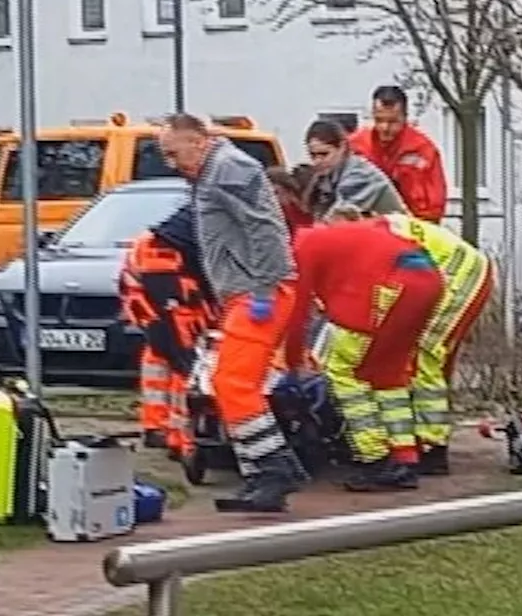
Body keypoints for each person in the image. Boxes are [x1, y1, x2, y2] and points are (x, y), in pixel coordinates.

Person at [156, 113, 305, 513]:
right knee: (234, 385)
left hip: (260, 292)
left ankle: (273, 470)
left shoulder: (228, 169)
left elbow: (265, 228)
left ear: (198, 141)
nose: (172, 164)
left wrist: (262, 289)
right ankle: (262, 475)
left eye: (174, 153)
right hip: (251, 291)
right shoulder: (217, 172)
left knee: (231, 383)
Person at [283, 216, 444, 491]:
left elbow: (297, 310)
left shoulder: (302, 246)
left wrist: (293, 359)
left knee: (343, 371)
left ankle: (375, 458)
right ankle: (404, 458)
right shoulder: (343, 233)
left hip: (384, 290)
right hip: (429, 281)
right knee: (389, 373)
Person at [329, 205, 493, 475]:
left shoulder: (373, 241)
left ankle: (432, 444)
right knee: (420, 353)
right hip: (458, 271)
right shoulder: (378, 230)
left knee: (425, 353)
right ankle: (426, 438)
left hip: (457, 277)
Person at [120, 204, 216, 459]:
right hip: (169, 287)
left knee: (160, 354)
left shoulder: (161, 235)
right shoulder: (205, 224)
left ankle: (157, 426)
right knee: (186, 362)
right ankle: (182, 438)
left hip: (153, 292)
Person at [348, 85, 448, 223]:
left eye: (393, 121)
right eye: (379, 120)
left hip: (411, 227)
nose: (385, 128)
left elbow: (434, 204)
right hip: (366, 226)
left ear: (405, 118)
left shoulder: (423, 150)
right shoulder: (356, 146)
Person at [305, 119, 408, 220]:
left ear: (342, 147)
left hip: (396, 233)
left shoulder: (360, 174)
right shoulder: (329, 175)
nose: (317, 161)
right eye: (312, 155)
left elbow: (337, 220)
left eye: (324, 154)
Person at [266, 164, 315, 239]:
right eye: (270, 195)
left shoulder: (312, 203)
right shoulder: (283, 211)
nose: (273, 199)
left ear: (288, 189)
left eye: (276, 192)